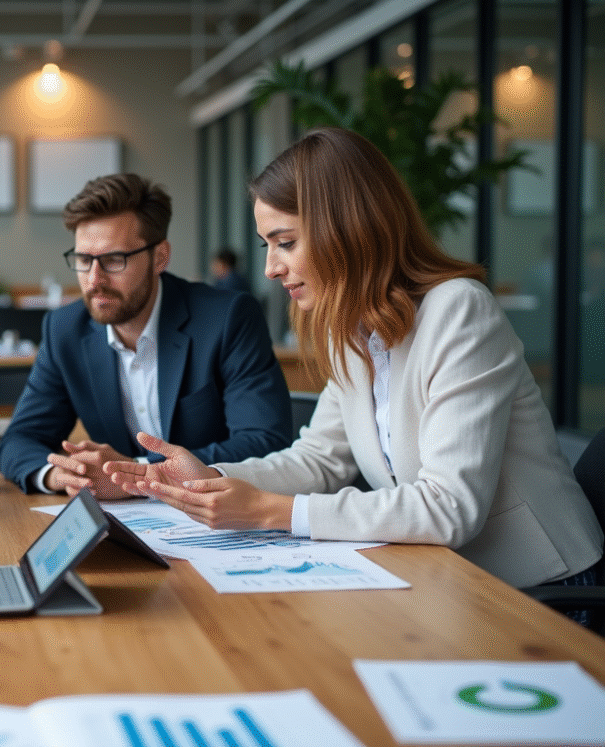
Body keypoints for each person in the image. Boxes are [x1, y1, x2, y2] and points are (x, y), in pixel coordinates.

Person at [106, 127, 603, 591]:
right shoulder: (353, 328)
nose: (271, 268)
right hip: (446, 577)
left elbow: (450, 508)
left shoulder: (458, 310)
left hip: (540, 589)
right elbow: (319, 460)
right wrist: (209, 481)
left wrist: (267, 511)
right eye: (267, 246)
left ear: (348, 229)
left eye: (285, 243)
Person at [0, 172, 292, 498]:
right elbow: (18, 441)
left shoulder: (227, 318)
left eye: (113, 260)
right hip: (124, 527)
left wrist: (137, 476)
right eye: (83, 260)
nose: (94, 279)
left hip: (215, 518)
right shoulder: (65, 330)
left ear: (160, 257)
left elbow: (265, 443)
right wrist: (61, 475)